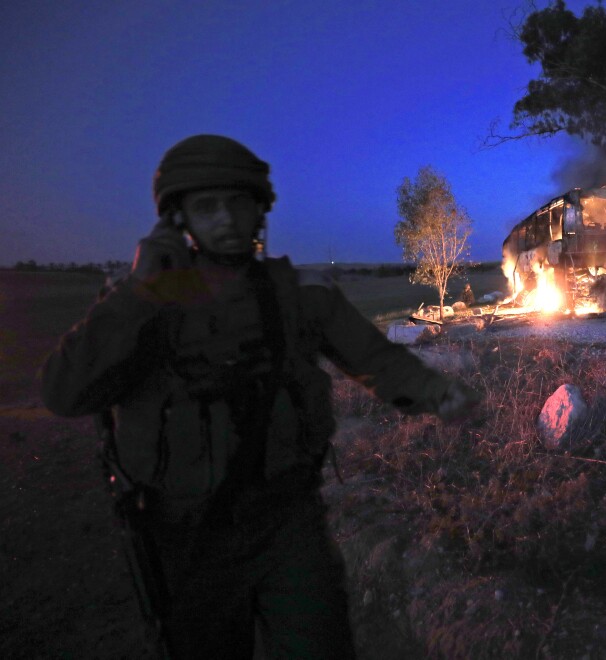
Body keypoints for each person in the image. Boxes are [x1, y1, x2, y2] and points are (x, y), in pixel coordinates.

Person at [39, 134, 480, 658]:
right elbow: (64, 392)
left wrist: (437, 391)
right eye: (207, 207)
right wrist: (140, 295)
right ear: (178, 220)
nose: (225, 218)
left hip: (286, 520)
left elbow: (374, 359)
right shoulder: (139, 300)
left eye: (238, 203)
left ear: (259, 212)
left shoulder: (300, 293)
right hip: (186, 534)